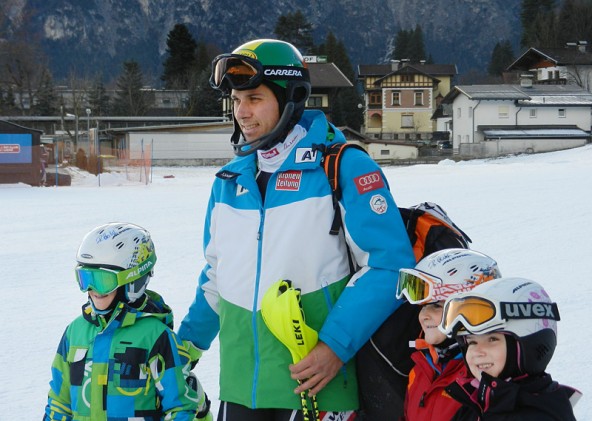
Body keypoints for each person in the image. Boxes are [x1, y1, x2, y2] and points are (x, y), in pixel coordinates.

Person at [178, 38, 416, 420]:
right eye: (236, 101)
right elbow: (216, 278)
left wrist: (335, 347)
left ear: (290, 97)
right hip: (240, 389)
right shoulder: (229, 180)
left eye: (254, 98)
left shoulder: (340, 167)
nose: (242, 112)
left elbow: (391, 266)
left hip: (314, 387)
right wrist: (184, 349)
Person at [44, 222, 212, 421]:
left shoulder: (155, 337)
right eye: (85, 278)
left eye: (102, 281)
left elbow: (181, 407)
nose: (92, 290)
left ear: (133, 282)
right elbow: (59, 402)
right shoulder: (75, 332)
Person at [440, 277, 581, 420]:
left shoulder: (539, 415)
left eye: (492, 339)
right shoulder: (477, 405)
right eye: (472, 342)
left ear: (529, 344)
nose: (477, 352)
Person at [397, 249, 501, 421]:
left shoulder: (484, 377)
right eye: (422, 306)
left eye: (436, 306)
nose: (424, 315)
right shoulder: (421, 369)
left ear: (470, 310)